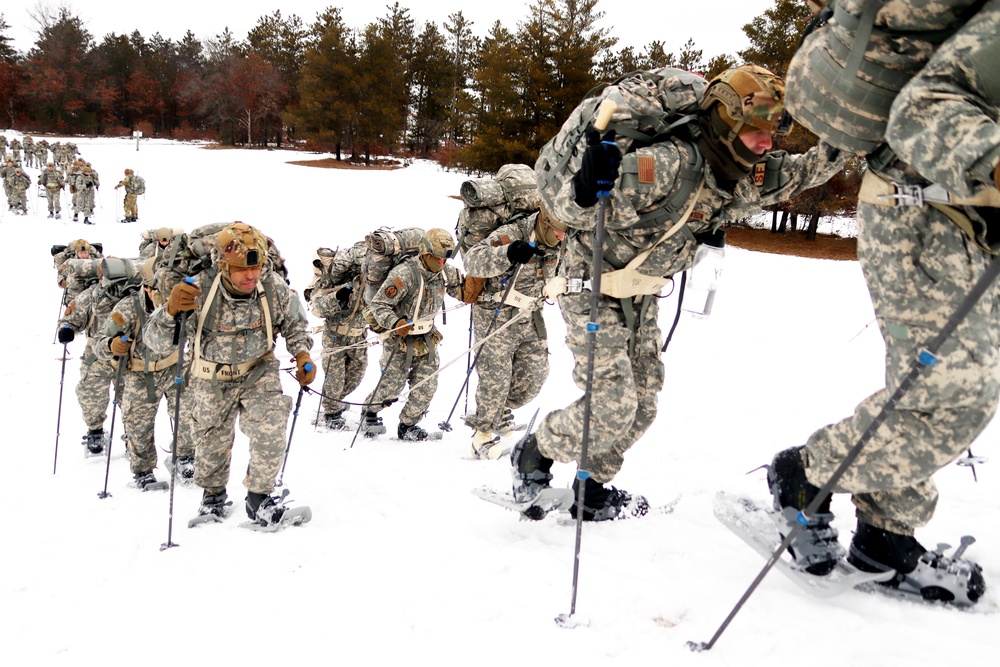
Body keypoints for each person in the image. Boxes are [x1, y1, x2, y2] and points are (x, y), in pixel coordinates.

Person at [525, 64, 847, 521]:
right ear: (727, 121)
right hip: (591, 285)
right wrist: (586, 186)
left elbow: (805, 171)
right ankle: (534, 452)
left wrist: (859, 136)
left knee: (643, 406)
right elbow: (576, 211)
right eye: (757, 129)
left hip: (641, 296)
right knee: (613, 405)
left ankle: (591, 486)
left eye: (773, 131)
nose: (768, 142)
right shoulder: (669, 165)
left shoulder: (736, 176)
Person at [767, 2, 994, 603]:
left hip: (968, 219)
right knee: (951, 391)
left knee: (945, 391)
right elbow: (925, 111)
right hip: (917, 206)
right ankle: (805, 475)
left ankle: (886, 532)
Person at [145, 222, 316, 525]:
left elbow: (293, 323)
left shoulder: (271, 286)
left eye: (257, 267)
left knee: (271, 426)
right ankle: (212, 496)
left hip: (258, 370)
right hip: (210, 376)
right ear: (224, 266)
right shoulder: (195, 290)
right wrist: (170, 311)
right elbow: (155, 342)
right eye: (241, 269)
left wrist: (301, 352)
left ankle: (259, 497)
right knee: (211, 440)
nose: (250, 275)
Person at [461, 206, 564, 459]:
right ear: (546, 224)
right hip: (495, 314)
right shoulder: (512, 232)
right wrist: (507, 252)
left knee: (534, 376)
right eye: (560, 233)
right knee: (495, 378)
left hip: (530, 315)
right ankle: (482, 436)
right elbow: (471, 260)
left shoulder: (563, 241)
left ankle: (501, 410)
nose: (563, 238)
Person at [93, 258, 196, 489]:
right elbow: (99, 342)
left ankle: (184, 456)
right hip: (140, 373)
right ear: (147, 288)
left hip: (175, 366)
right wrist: (112, 345)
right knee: (137, 425)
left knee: (189, 413)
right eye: (160, 291)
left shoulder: (183, 305)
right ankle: (143, 470)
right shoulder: (128, 308)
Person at [361, 228, 467, 440]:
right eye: (438, 258)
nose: (442, 263)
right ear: (426, 254)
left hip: (427, 337)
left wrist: (478, 285)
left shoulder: (446, 273)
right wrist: (396, 322)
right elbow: (379, 305)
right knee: (391, 386)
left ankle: (408, 425)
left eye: (445, 258)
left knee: (426, 385)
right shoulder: (404, 274)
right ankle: (369, 411)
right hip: (399, 339)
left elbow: (463, 290)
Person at [57, 259, 141, 455]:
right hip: (96, 356)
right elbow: (69, 318)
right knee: (91, 395)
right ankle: (95, 429)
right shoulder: (91, 296)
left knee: (132, 401)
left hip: (127, 356)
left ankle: (134, 437)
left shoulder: (134, 296)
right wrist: (67, 329)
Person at [307, 241, 370, 430]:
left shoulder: (370, 284)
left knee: (356, 375)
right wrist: (337, 297)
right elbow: (317, 307)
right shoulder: (336, 283)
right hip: (335, 336)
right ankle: (331, 412)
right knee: (334, 377)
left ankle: (334, 401)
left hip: (359, 336)